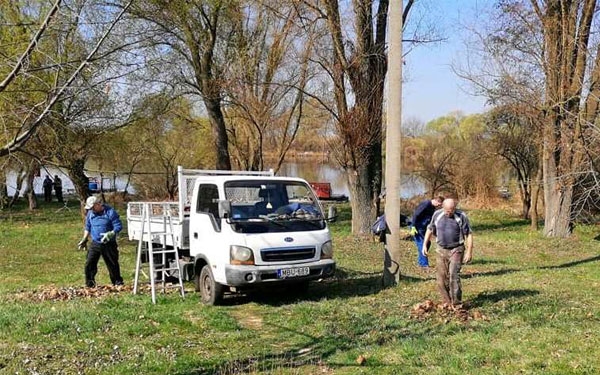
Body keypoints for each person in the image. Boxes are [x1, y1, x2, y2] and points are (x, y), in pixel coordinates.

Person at [422, 198, 473, 307]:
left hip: (457, 249)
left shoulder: (461, 216)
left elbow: (468, 234)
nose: (449, 213)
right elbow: (430, 229)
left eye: (451, 210)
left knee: (454, 275)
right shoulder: (437, 215)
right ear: (443, 207)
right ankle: (447, 302)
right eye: (447, 211)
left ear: (454, 208)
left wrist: (469, 251)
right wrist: (424, 244)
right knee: (441, 278)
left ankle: (457, 303)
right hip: (441, 249)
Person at [77, 195, 124, 287]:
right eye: (89, 208)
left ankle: (117, 282)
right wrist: (84, 239)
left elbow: (118, 226)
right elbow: (88, 227)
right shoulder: (90, 214)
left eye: (92, 207)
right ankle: (90, 284)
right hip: (95, 243)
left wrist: (111, 233)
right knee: (89, 263)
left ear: (98, 204)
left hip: (108, 243)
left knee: (112, 263)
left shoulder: (110, 212)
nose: (91, 210)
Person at [410, 196, 443, 267]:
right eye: (439, 204)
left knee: (427, 243)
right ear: (436, 201)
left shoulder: (432, 207)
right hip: (416, 226)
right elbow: (416, 214)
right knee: (421, 244)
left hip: (423, 227)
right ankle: (424, 264)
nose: (439, 206)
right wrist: (413, 226)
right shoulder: (426, 204)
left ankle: (421, 261)